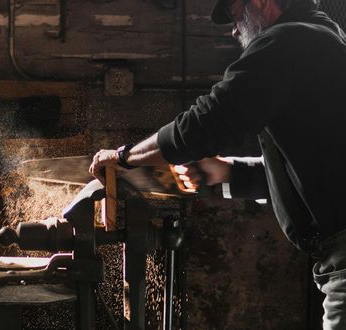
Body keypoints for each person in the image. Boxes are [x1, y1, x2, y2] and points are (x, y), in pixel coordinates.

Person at [88, 0, 346, 328]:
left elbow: (207, 121)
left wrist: (124, 157)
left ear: (263, 2)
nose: (233, 28)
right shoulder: (325, 41)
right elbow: (313, 173)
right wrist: (229, 173)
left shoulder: (288, 41)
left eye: (236, 13)